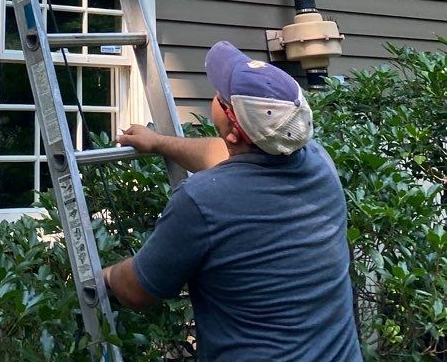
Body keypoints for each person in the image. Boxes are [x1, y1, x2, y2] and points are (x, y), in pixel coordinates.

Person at [103, 41, 362, 362]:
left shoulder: (202, 201)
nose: (215, 94)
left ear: (235, 133)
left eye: (220, 96)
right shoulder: (320, 163)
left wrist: (104, 275)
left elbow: (135, 291)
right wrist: (159, 142)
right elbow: (221, 155)